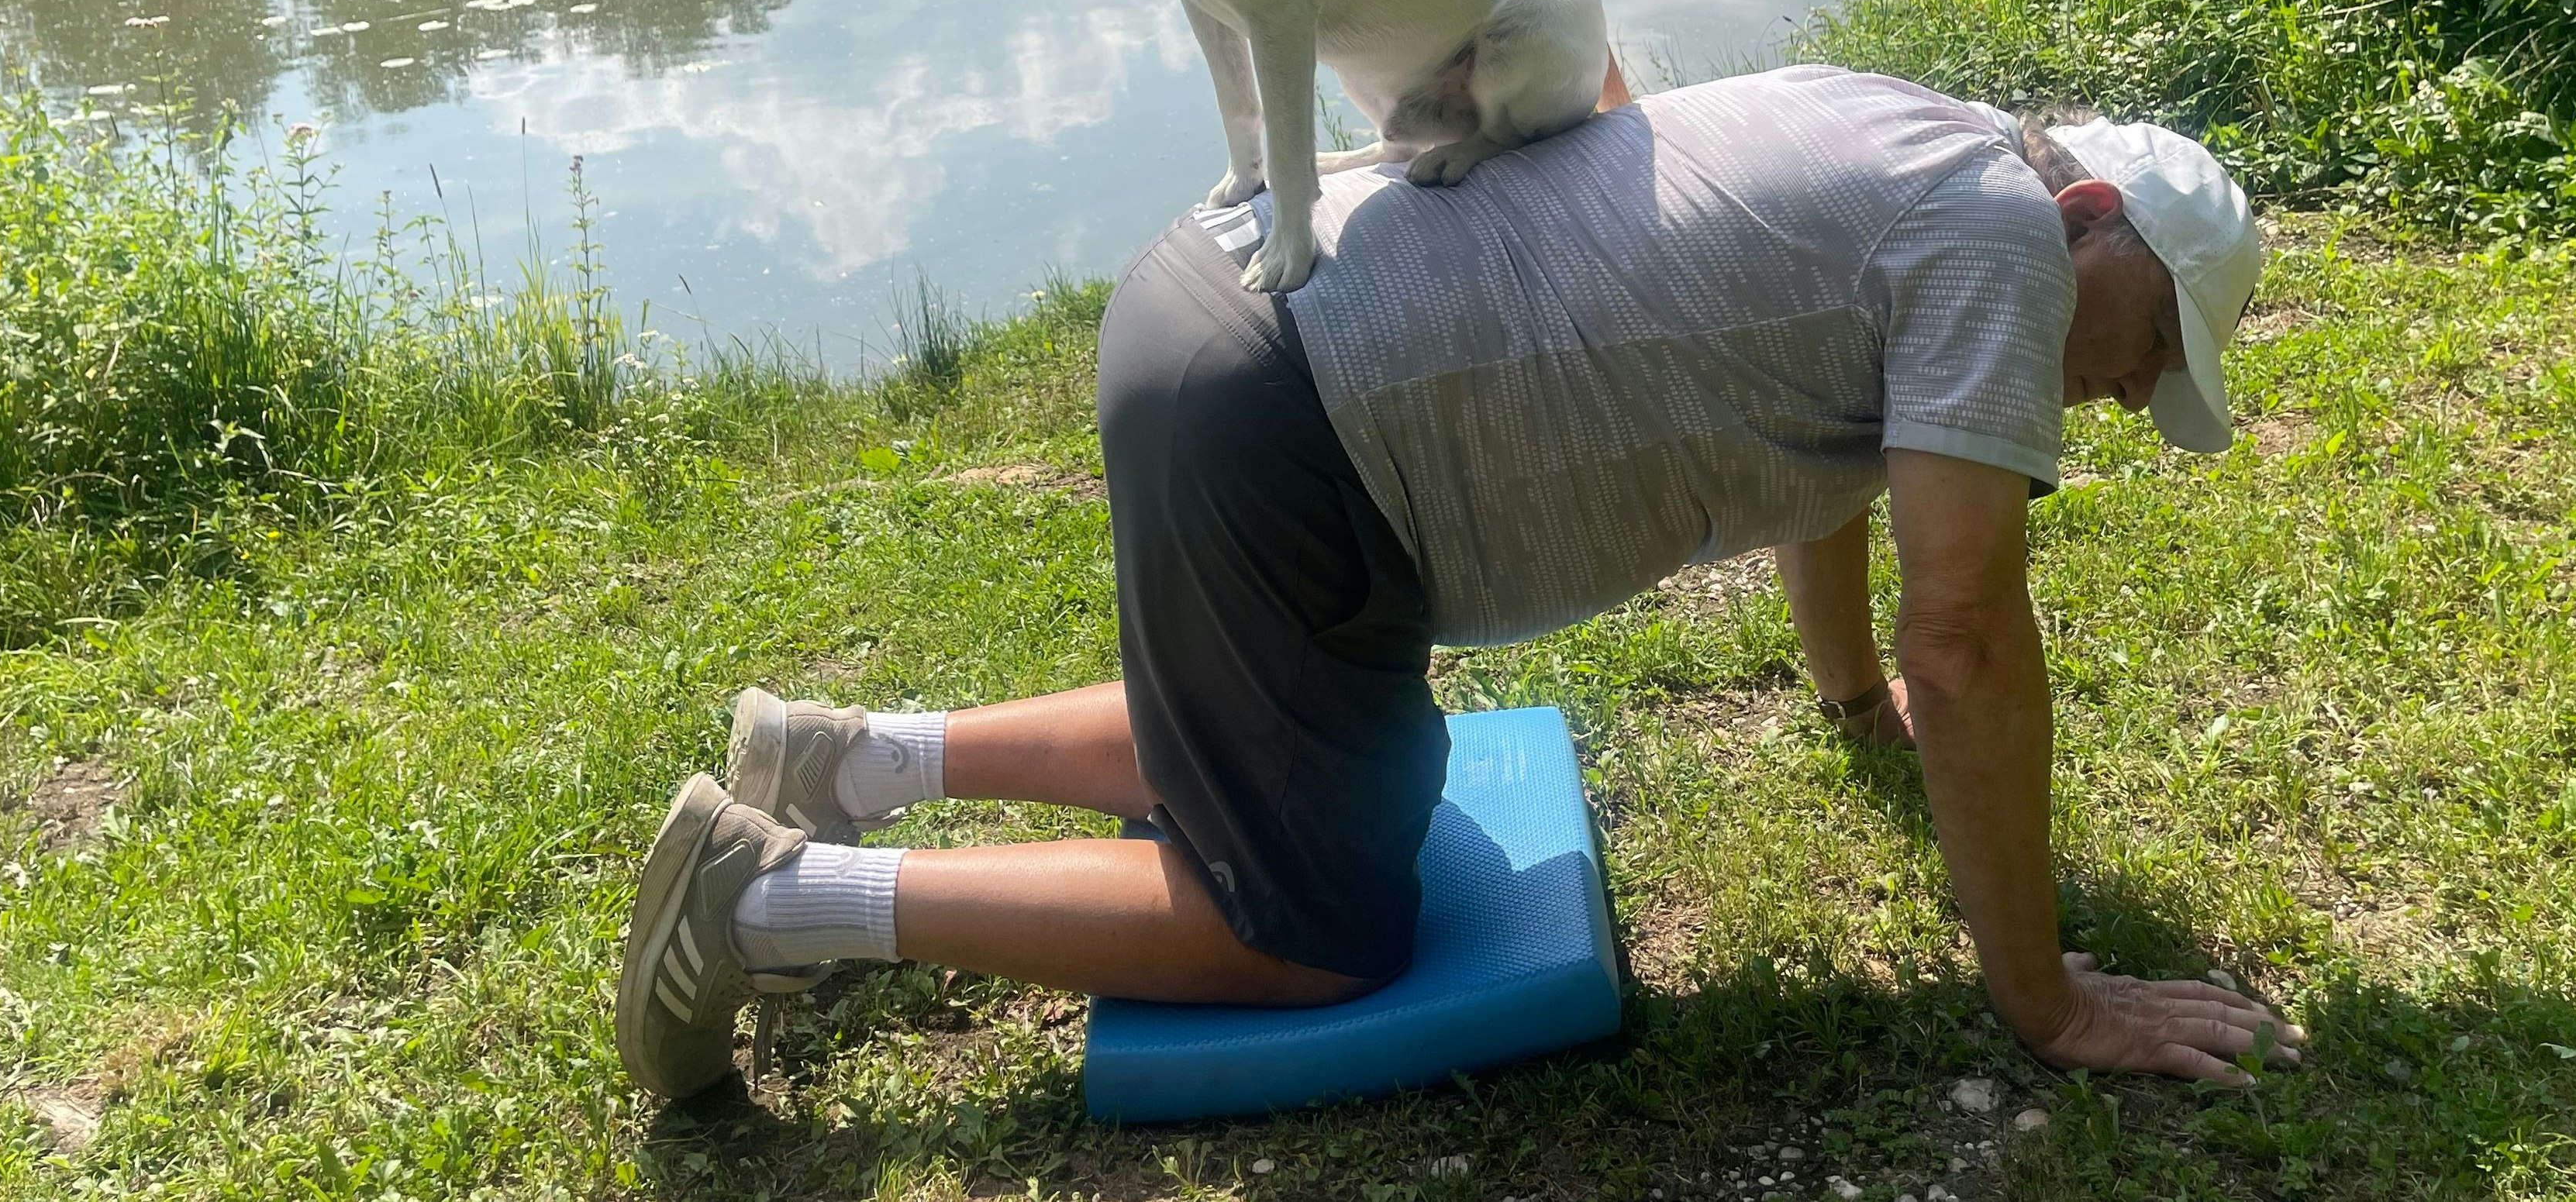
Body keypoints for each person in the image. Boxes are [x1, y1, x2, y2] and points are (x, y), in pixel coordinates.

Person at [614, 64, 2304, 1103]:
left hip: (1226, 302)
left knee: (1316, 754)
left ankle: (848, 757)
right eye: (2144, 347)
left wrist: (1851, 695)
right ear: (2091, 219)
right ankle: (763, 904)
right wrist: (2043, 995)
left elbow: (1835, 466)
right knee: (1310, 934)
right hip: (1286, 417)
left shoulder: (1912, 140)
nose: (2112, 397)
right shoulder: (2003, 255)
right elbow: (1975, 634)